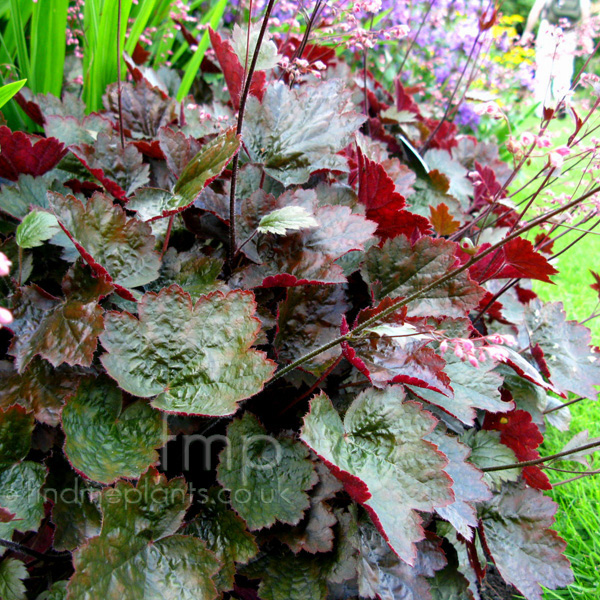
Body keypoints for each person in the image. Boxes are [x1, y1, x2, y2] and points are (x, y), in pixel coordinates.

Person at [521, 0, 591, 116]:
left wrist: (527, 32)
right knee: (565, 71)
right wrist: (586, 37)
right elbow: (585, 17)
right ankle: (563, 105)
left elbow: (536, 10)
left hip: (548, 32)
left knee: (543, 72)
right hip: (570, 34)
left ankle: (541, 109)